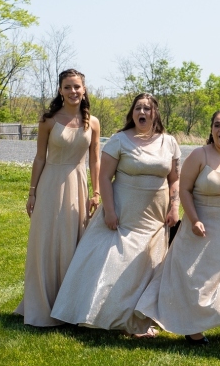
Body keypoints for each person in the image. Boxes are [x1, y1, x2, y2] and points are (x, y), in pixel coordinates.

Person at [135, 110, 220, 344]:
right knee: (197, 278)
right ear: (211, 130)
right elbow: (185, 189)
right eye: (217, 125)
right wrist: (194, 218)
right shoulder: (199, 155)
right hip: (201, 224)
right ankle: (193, 329)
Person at [50, 93, 180, 336]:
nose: (142, 112)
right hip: (123, 213)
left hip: (155, 215)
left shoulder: (169, 142)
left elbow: (174, 180)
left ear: (155, 114)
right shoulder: (120, 140)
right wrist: (109, 210)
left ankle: (140, 320)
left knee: (148, 264)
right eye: (138, 108)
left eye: (148, 109)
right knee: (117, 261)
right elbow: (104, 177)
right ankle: (105, 314)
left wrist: (174, 207)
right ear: (132, 113)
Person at [15, 69, 101, 327]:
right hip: (50, 184)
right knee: (46, 242)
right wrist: (32, 192)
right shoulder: (48, 121)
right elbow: (40, 157)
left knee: (73, 243)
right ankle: (41, 305)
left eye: (77, 86)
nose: (73, 91)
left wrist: (96, 191)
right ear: (60, 90)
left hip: (78, 185)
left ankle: (70, 306)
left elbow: (95, 159)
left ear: (84, 89)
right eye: (67, 87)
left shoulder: (92, 123)